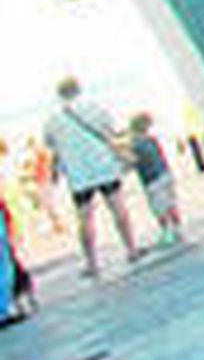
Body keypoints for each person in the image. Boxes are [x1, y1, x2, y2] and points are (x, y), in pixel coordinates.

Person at [41, 76, 141, 277]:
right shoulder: (95, 108)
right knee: (118, 208)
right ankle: (131, 249)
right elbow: (111, 131)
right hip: (104, 167)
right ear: (79, 89)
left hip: (79, 175)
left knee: (84, 219)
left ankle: (92, 263)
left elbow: (50, 145)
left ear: (59, 94)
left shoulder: (53, 119)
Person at [127, 113, 182, 246]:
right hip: (166, 174)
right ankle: (178, 229)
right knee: (171, 204)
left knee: (159, 208)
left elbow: (134, 162)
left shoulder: (136, 144)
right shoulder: (152, 139)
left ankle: (166, 233)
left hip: (152, 180)